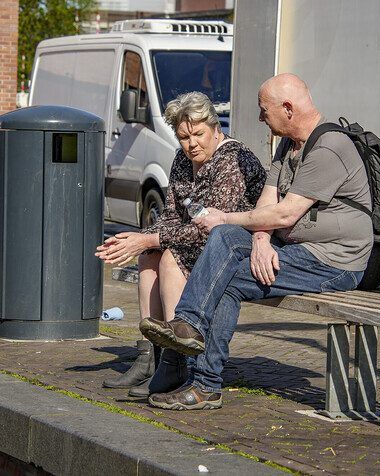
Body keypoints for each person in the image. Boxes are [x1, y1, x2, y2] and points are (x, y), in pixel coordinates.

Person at [140, 73, 373, 410]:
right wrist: (261, 241)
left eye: (265, 110)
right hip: (295, 249)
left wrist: (226, 217)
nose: (260, 117)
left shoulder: (329, 147)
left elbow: (284, 215)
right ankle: (190, 336)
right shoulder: (288, 145)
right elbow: (267, 204)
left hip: (335, 262)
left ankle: (202, 377)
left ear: (288, 109)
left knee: (226, 264)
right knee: (225, 243)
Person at [97, 91, 266, 398]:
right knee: (150, 255)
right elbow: (173, 214)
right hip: (203, 242)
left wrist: (151, 238)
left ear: (215, 129)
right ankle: (151, 354)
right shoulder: (183, 159)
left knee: (169, 258)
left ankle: (177, 359)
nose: (192, 144)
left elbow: (212, 232)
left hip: (234, 249)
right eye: (184, 137)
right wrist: (141, 240)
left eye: (199, 134)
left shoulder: (230, 161)